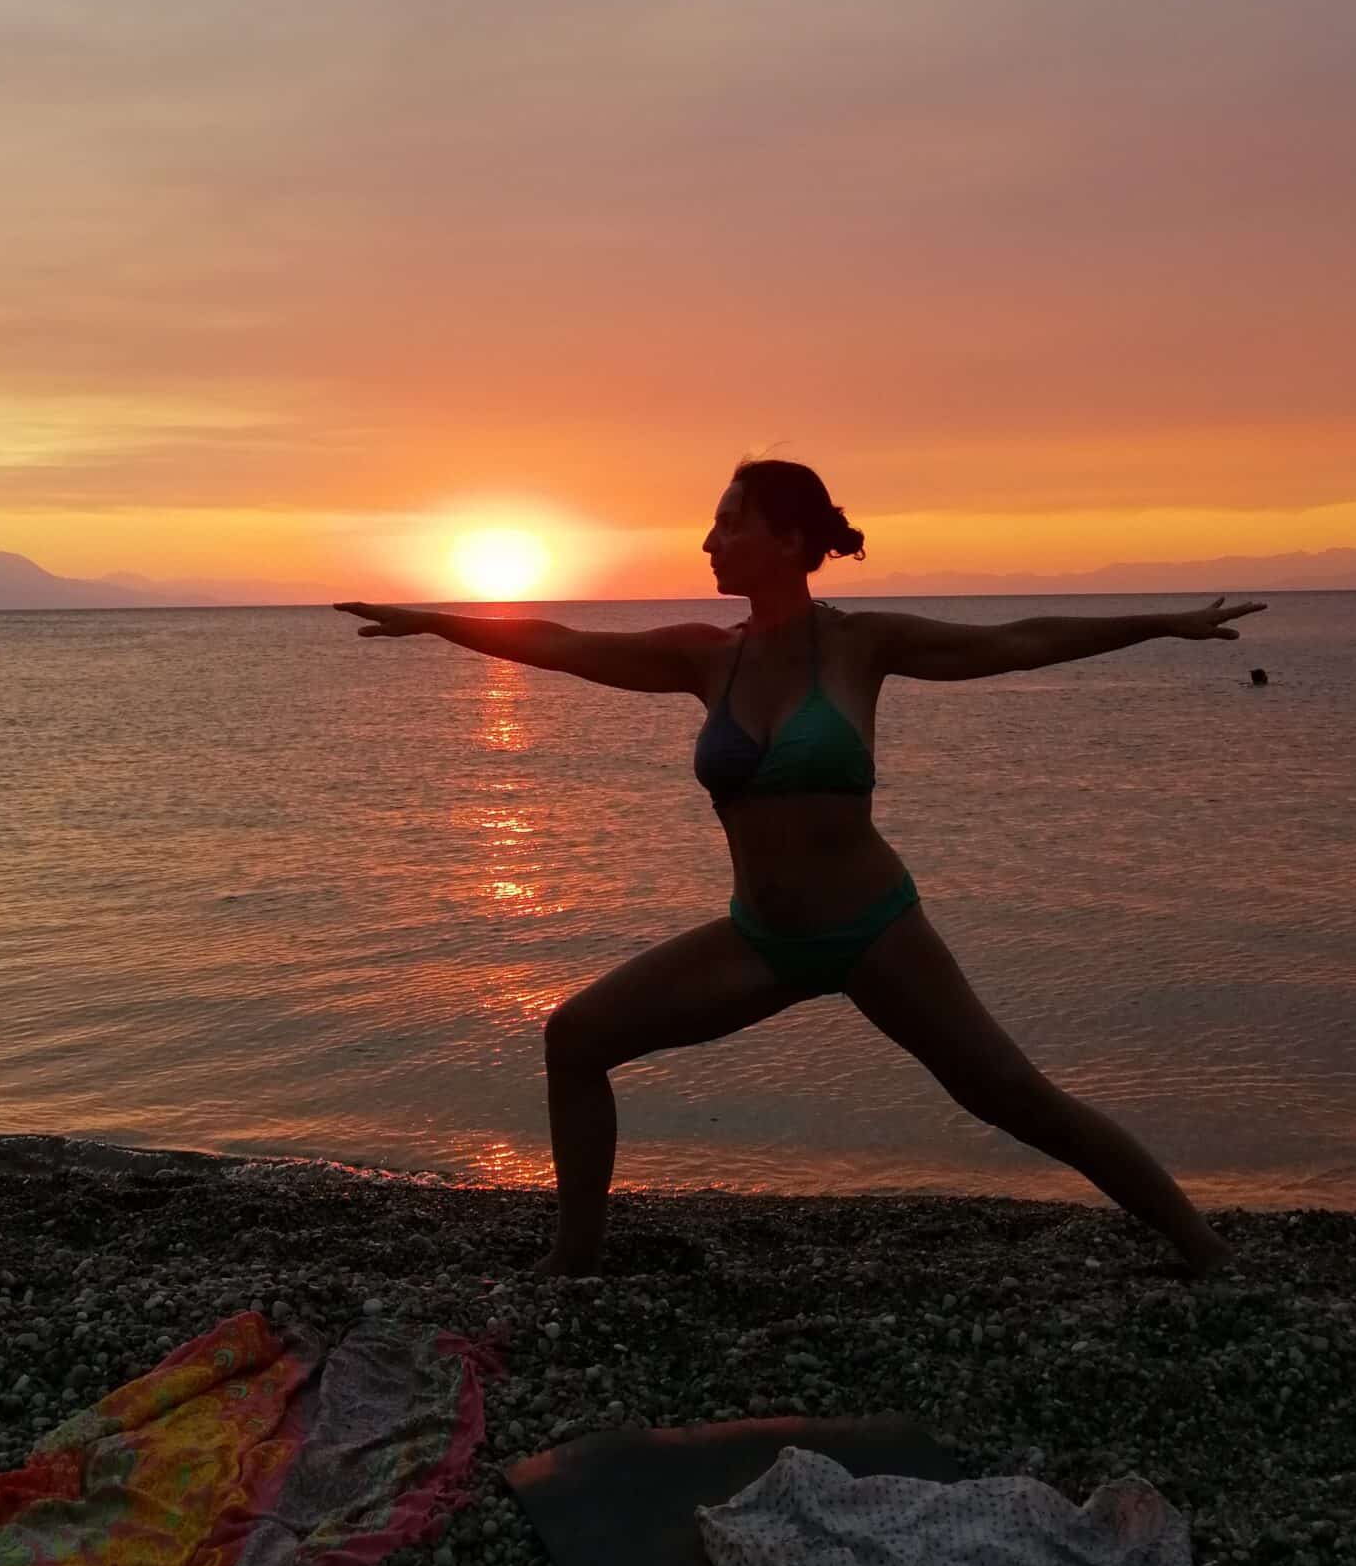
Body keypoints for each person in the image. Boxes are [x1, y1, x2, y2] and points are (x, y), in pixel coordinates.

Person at [336, 459, 1264, 1279]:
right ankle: (574, 1261)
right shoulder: (707, 659)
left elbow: (1017, 642)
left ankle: (1206, 1248)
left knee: (1016, 1100)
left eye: (729, 521)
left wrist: (1163, 624)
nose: (708, 539)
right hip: (763, 941)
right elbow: (562, 644)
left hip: (876, 935)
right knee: (575, 1040)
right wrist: (434, 621)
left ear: (786, 538)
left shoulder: (862, 646)